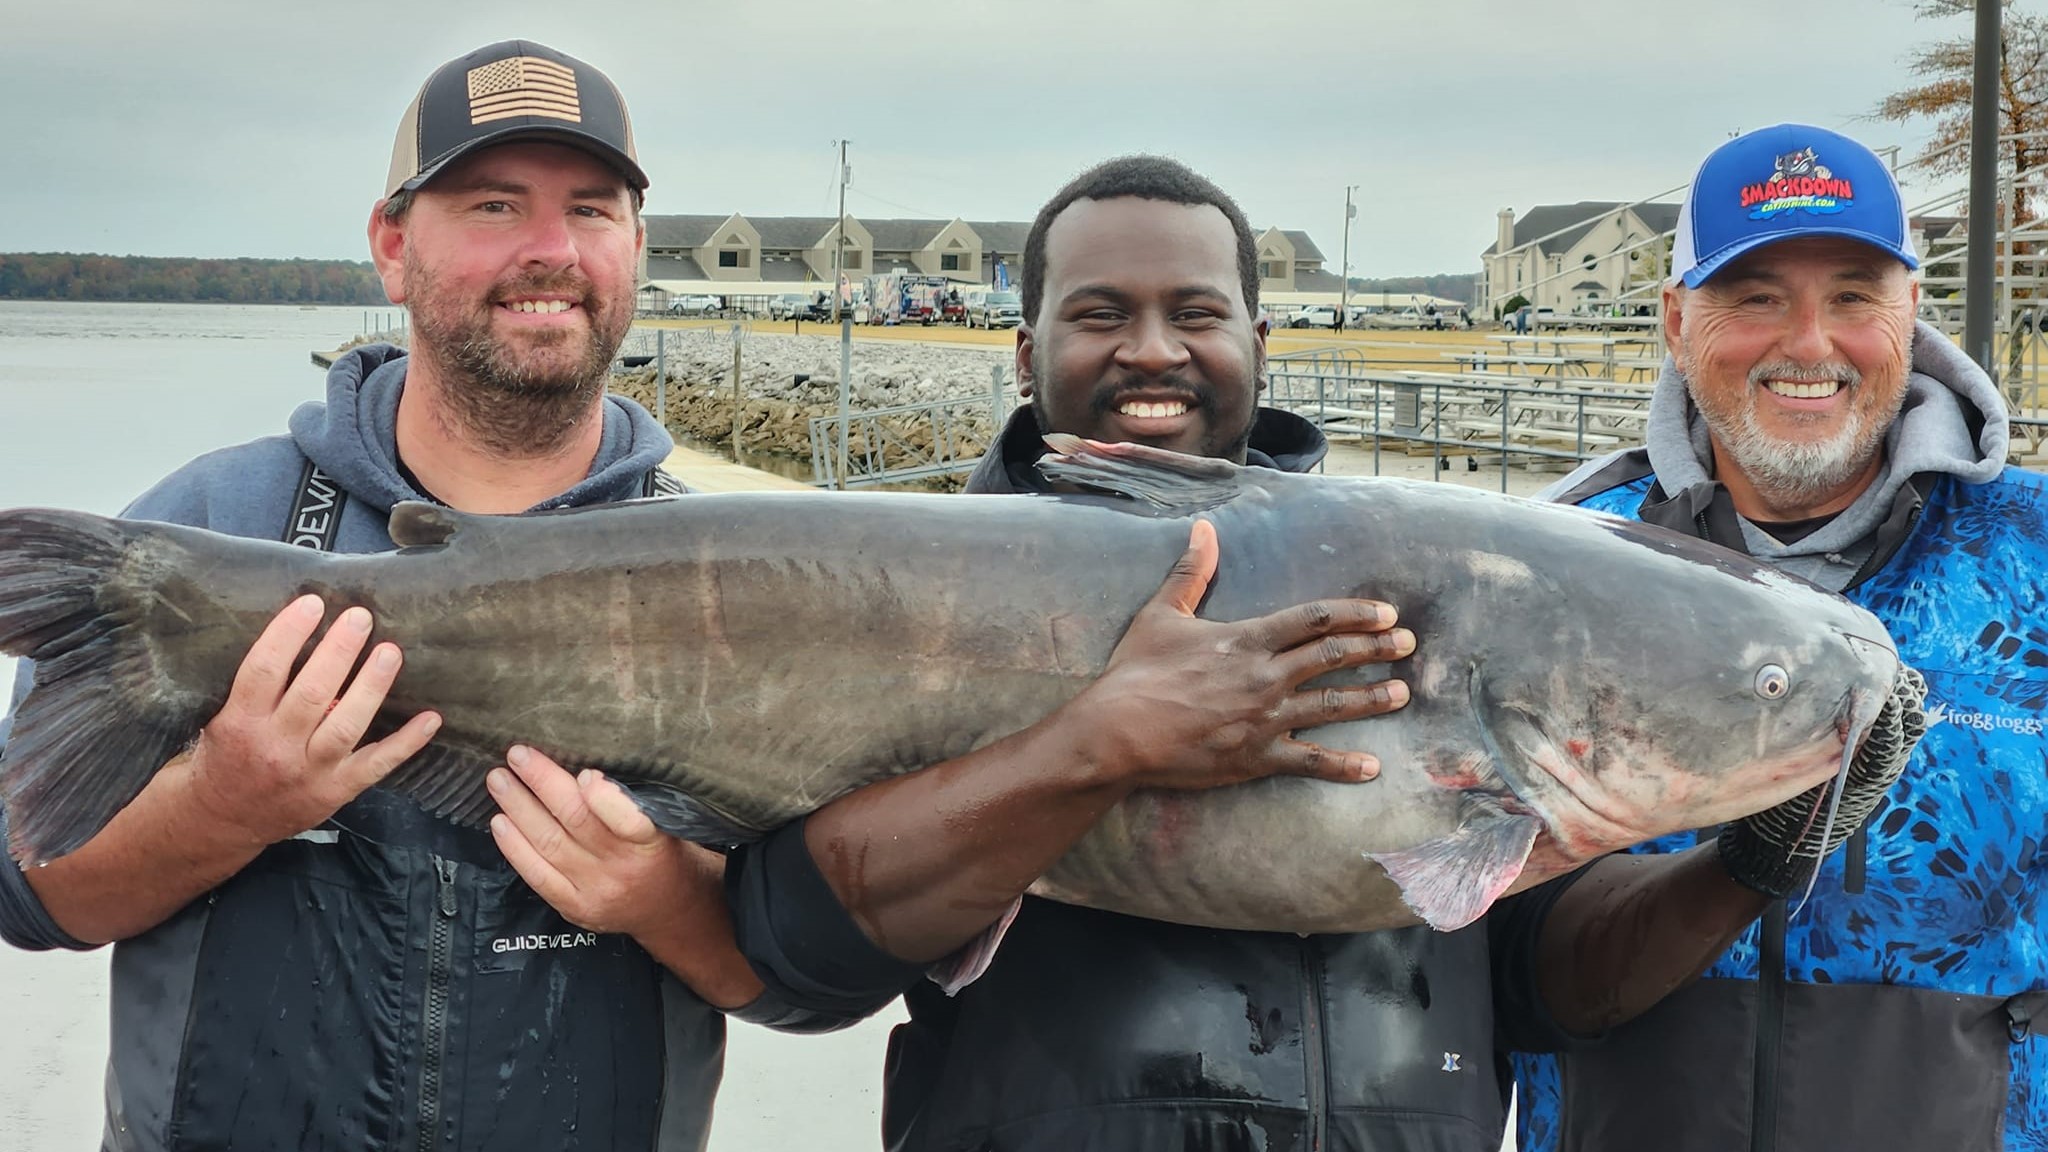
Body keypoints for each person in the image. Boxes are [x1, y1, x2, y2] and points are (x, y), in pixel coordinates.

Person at [724, 155, 1891, 1151]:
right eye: (1097, 314)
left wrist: (1752, 863)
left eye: (1193, 312)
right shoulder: (897, 592)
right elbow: (797, 958)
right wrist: (1095, 747)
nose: (1150, 351)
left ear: (1255, 339)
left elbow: (1550, 989)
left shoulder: (1439, 594)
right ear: (1024, 353)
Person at [0, 40, 839, 1152]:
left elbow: (812, 984)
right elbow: (26, 895)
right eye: (494, 205)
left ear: (636, 247)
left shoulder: (765, 580)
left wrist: (662, 897)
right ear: (392, 248)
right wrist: (224, 807)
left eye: (591, 211)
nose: (551, 250)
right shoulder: (207, 532)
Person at [1512, 123, 2045, 1151]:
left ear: (1908, 313)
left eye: (1851, 295)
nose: (1807, 344)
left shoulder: (2029, 556)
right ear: (1674, 320)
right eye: (1753, 297)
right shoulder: (1553, 561)